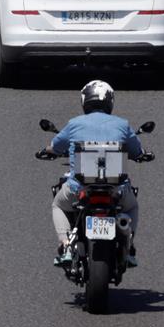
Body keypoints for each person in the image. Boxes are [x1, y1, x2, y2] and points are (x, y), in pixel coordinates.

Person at [46, 80, 142, 267]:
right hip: (117, 189)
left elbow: (55, 147)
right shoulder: (122, 124)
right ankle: (128, 246)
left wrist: (46, 150)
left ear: (84, 102)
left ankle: (66, 245)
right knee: (132, 207)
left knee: (58, 204)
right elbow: (137, 150)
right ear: (110, 102)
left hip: (79, 187)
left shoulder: (74, 124)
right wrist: (141, 154)